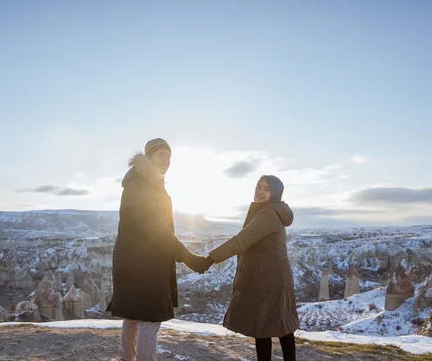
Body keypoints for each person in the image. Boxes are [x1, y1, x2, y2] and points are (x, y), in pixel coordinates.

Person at [109, 138, 210, 361]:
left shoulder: (144, 183)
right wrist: (189, 258)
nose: (166, 160)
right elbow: (158, 231)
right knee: (149, 319)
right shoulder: (142, 187)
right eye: (161, 155)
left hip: (136, 262)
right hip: (145, 265)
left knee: (134, 317)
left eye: (169, 156)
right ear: (148, 157)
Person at [204, 175, 298, 361]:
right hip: (273, 277)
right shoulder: (272, 211)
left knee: (264, 327)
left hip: (267, 279)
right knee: (280, 325)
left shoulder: (268, 213)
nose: (260, 192)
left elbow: (241, 241)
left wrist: (209, 259)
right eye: (259, 186)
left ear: (275, 193)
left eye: (266, 189)